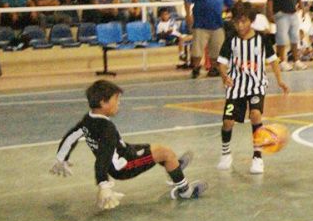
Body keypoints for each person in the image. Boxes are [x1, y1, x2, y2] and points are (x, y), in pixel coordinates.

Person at [50, 80, 206, 208]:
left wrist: (61, 158)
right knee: (166, 153)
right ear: (103, 103)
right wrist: (103, 184)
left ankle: (174, 167)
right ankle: (185, 191)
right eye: (116, 100)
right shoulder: (107, 129)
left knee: (157, 148)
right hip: (125, 166)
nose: (119, 103)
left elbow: (70, 137)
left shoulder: (88, 119)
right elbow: (103, 158)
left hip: (124, 151)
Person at [216, 2, 290, 174]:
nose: (240, 25)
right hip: (236, 86)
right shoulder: (231, 39)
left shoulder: (262, 39)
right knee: (227, 122)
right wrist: (224, 76)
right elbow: (221, 62)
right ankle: (225, 153)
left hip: (256, 85)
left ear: (251, 20)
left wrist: (280, 81)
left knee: (255, 115)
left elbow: (273, 60)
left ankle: (257, 157)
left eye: (243, 21)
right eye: (236, 22)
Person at [184, 0, 234, 78]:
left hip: (217, 24)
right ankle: (196, 68)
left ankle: (214, 69)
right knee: (197, 51)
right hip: (200, 24)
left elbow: (229, 2)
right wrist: (188, 15)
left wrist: (229, 10)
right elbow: (187, 1)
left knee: (217, 50)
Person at [267, 0, 307, 71]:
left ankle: (296, 60)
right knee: (281, 38)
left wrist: (303, 9)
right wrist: (270, 13)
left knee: (295, 37)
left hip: (293, 13)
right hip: (281, 14)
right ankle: (282, 61)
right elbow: (270, 0)